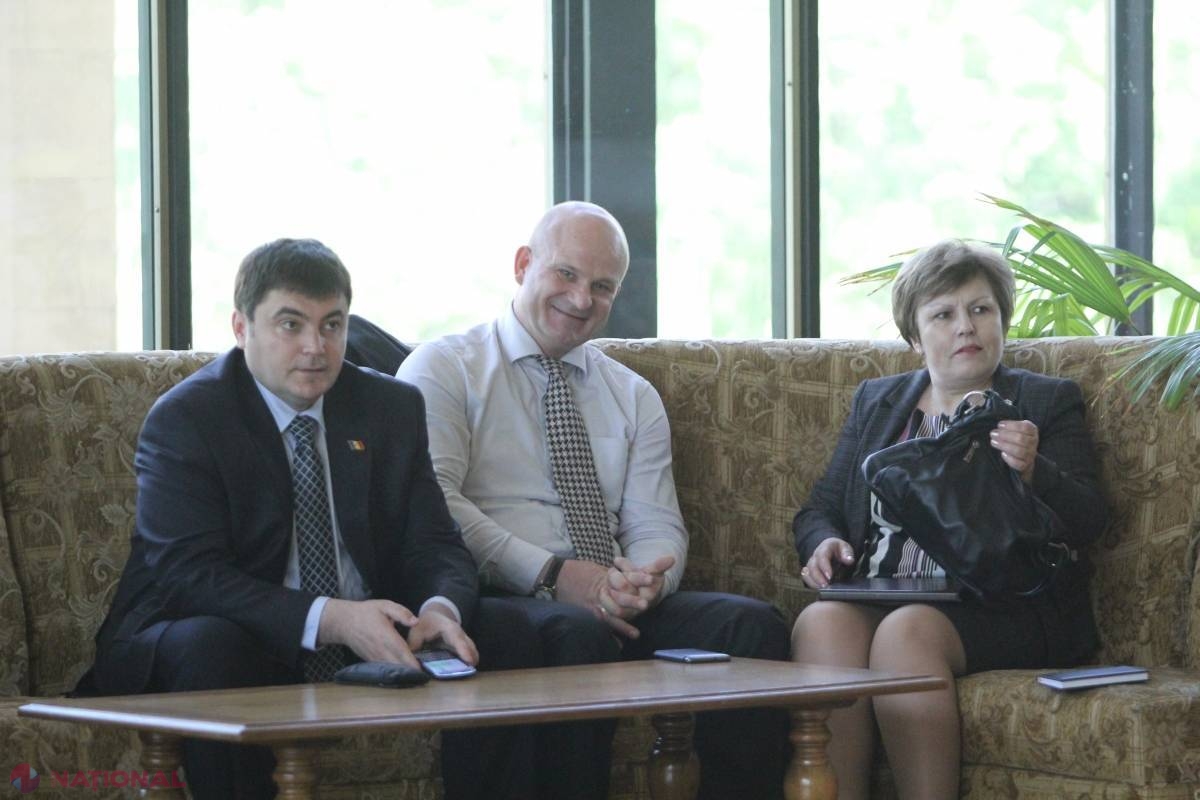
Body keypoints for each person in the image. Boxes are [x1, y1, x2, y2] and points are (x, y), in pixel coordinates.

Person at [77, 238, 537, 799]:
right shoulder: (189, 419)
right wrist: (332, 619)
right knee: (213, 646)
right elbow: (188, 576)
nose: (315, 348)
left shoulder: (388, 407)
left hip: (369, 633)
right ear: (241, 327)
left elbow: (436, 542)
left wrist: (440, 609)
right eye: (290, 325)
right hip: (219, 631)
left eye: (331, 325)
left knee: (527, 631)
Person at [397, 201, 791, 800]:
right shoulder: (445, 368)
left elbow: (656, 523)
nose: (582, 299)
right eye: (566, 274)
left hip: (613, 599)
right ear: (523, 264)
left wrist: (645, 582)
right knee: (571, 630)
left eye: (602, 287)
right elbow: (436, 507)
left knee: (751, 627)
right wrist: (553, 575)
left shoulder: (632, 394)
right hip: (498, 596)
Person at [791, 239, 1107, 799]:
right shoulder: (877, 403)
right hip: (885, 590)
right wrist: (825, 543)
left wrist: (1036, 472)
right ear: (915, 337)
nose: (966, 326)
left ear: (1001, 320)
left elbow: (1091, 520)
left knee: (906, 632)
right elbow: (821, 508)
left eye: (981, 309)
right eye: (943, 314)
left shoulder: (1046, 401)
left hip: (1006, 604)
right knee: (822, 623)